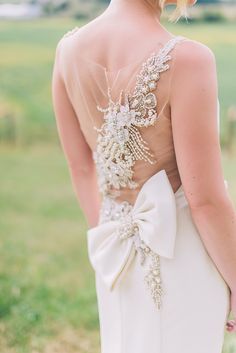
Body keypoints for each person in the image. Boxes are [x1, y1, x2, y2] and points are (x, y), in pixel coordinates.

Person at [51, 0, 236, 352]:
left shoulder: (67, 51)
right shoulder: (188, 59)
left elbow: (81, 166)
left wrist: (109, 240)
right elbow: (205, 200)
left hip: (115, 253)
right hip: (183, 254)